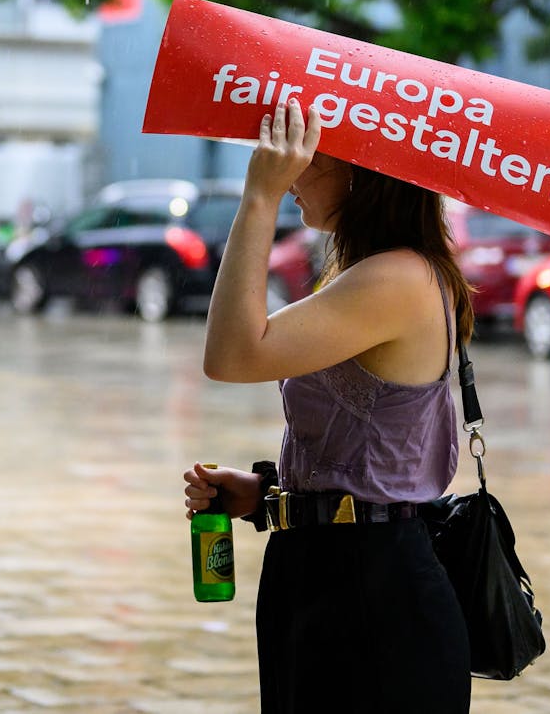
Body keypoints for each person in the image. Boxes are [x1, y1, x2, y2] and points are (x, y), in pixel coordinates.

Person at [182, 97, 472, 713]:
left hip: (373, 595)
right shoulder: (371, 272)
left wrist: (259, 196)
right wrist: (271, 498)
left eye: (311, 151)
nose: (293, 166)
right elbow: (366, 453)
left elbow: (231, 353)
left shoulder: (399, 278)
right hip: (328, 576)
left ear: (362, 170)